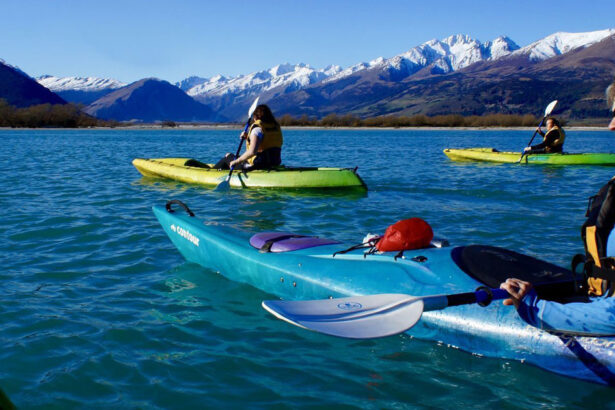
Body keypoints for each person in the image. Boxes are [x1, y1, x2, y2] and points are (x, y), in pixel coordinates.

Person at [500, 79, 615, 336]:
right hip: (603, 296)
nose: (611, 126)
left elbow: (546, 146)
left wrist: (534, 307)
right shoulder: (553, 131)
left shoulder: (554, 132)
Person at [214, 104, 283, 170]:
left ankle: (211, 172)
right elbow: (266, 142)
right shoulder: (275, 126)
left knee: (228, 156)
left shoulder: (257, 128)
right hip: (274, 162)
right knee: (232, 156)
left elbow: (252, 152)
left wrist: (236, 162)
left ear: (255, 116)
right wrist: (248, 137)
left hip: (257, 165)